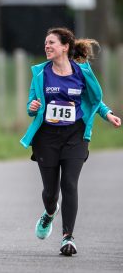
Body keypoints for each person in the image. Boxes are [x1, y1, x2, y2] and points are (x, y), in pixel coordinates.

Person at [20, 27, 121, 256]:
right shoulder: (40, 73)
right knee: (50, 192)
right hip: (46, 137)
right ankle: (49, 213)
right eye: (45, 43)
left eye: (51, 43)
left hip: (75, 135)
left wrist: (108, 114)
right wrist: (32, 107)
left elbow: (94, 100)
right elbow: (30, 105)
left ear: (65, 47)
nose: (47, 46)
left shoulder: (82, 72)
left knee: (70, 184)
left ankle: (68, 237)